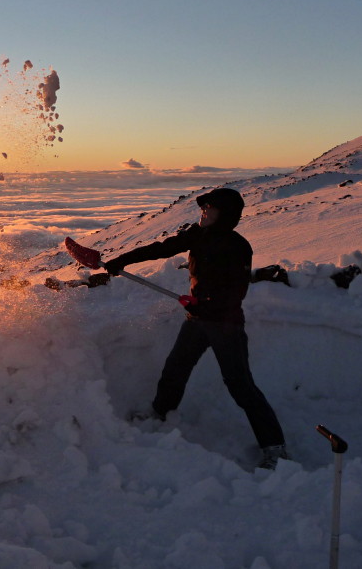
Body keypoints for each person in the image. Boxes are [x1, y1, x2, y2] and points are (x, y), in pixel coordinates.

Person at [102, 187, 288, 469]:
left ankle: (274, 447)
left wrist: (206, 304)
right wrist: (122, 260)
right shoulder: (197, 236)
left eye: (209, 209)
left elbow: (236, 292)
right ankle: (161, 414)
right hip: (197, 320)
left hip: (225, 325)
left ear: (224, 215)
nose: (203, 213)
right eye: (203, 208)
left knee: (240, 386)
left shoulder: (237, 246)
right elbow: (161, 248)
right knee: (175, 369)